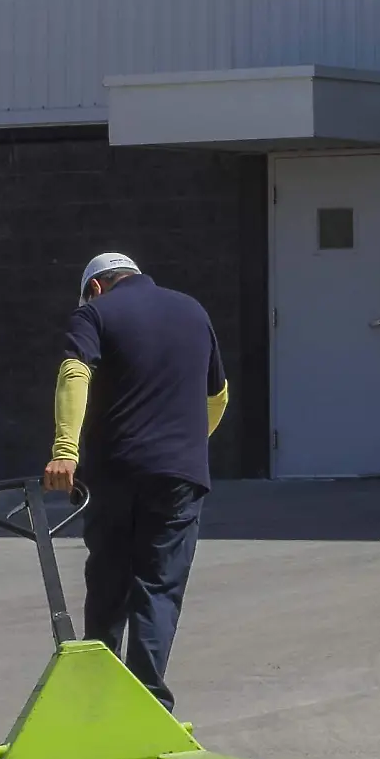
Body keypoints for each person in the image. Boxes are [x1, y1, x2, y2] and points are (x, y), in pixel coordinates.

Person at [42, 252, 228, 712]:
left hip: (116, 471)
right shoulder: (193, 311)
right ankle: (147, 706)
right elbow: (218, 395)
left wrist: (65, 452)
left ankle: (99, 704)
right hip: (179, 475)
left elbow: (74, 372)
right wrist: (184, 445)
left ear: (97, 287)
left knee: (109, 581)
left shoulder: (94, 313)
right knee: (159, 586)